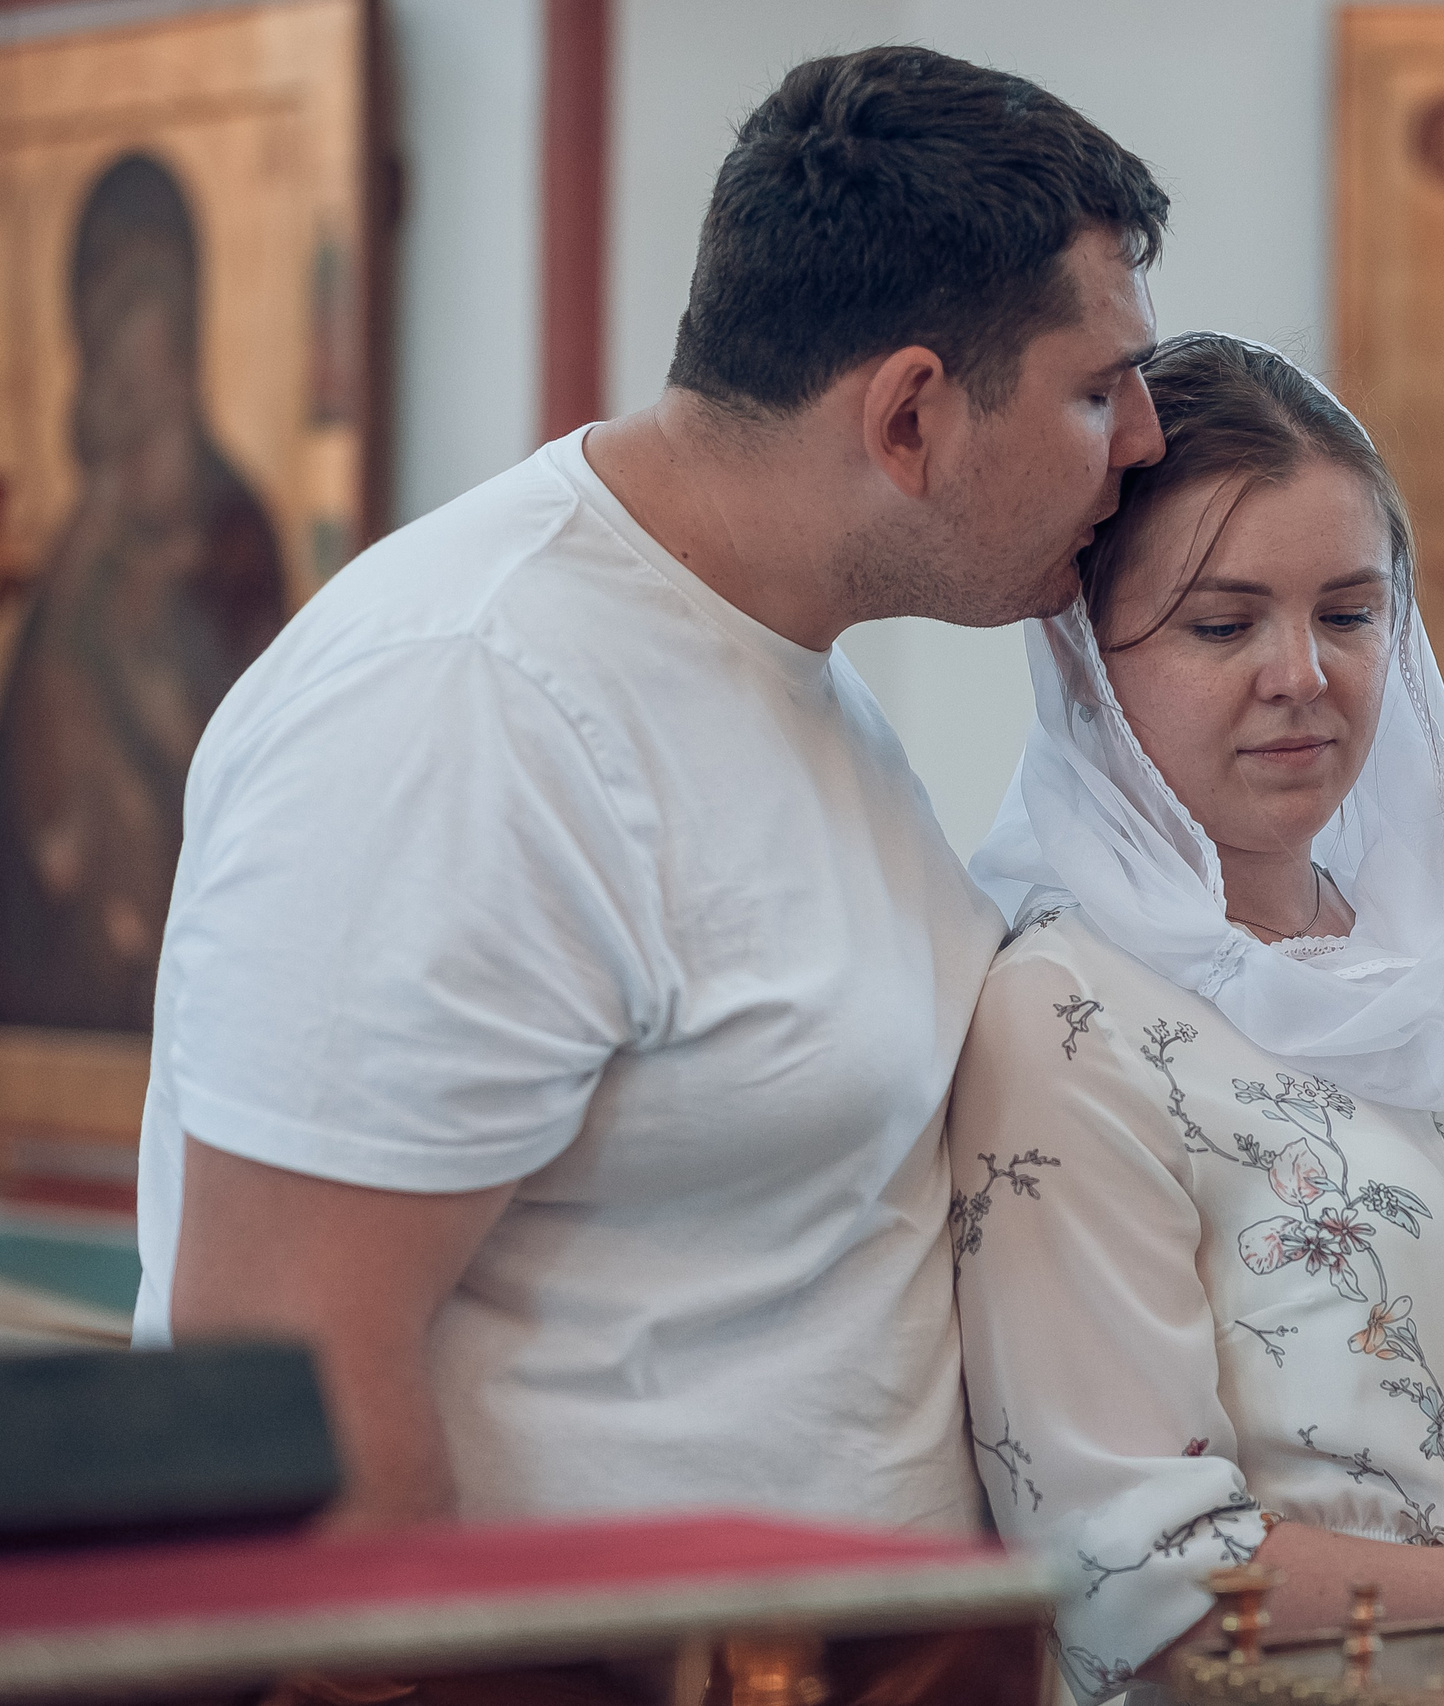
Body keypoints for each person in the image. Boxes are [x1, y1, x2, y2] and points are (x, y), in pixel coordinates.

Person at [131, 47, 1169, 1533]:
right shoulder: (470, 701)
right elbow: (290, 1386)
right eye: (1099, 390)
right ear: (908, 417)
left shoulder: (788, 659)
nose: (1142, 441)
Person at [953, 335, 1444, 1701]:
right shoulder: (1065, 1019)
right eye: (1221, 622)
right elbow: (1136, 1583)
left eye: (1351, 613)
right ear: (1087, 658)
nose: (1302, 673)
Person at [0, 152, 287, 1032]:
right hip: (64, 958)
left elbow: (238, 747)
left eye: (140, 307)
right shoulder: (77, 548)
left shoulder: (236, 534)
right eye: (102, 309)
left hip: (182, 941)